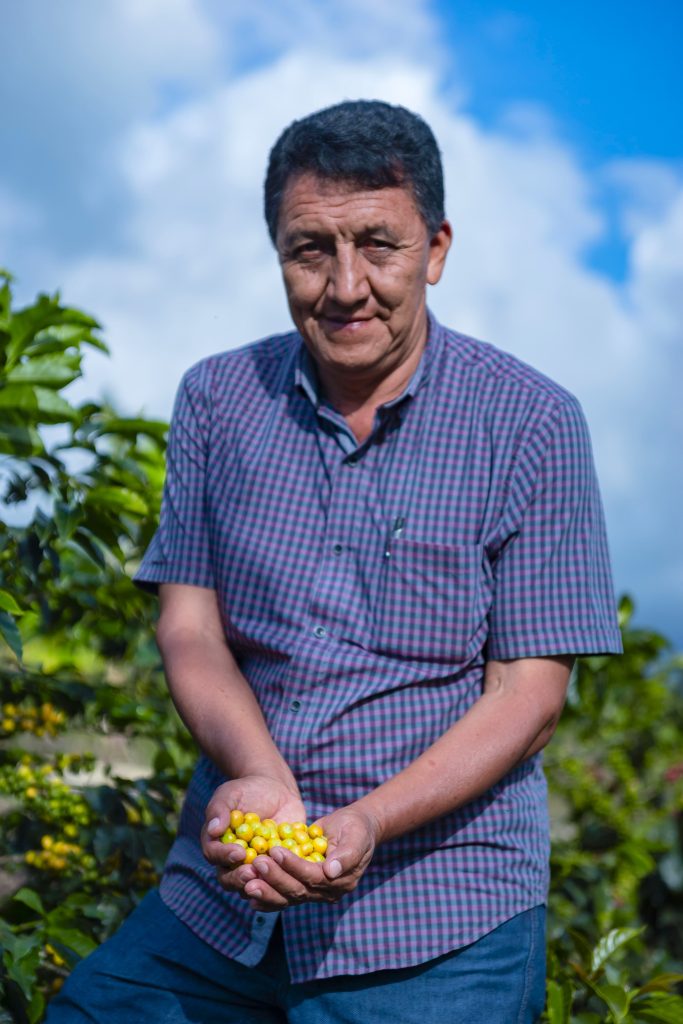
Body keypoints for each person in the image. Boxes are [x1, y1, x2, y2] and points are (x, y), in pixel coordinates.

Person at [47, 100, 622, 1023]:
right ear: (277, 252)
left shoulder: (530, 422)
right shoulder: (218, 398)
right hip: (226, 896)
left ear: (435, 250)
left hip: (436, 917)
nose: (345, 286)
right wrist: (261, 777)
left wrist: (367, 822)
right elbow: (189, 628)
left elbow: (528, 696)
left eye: (378, 246)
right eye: (310, 250)